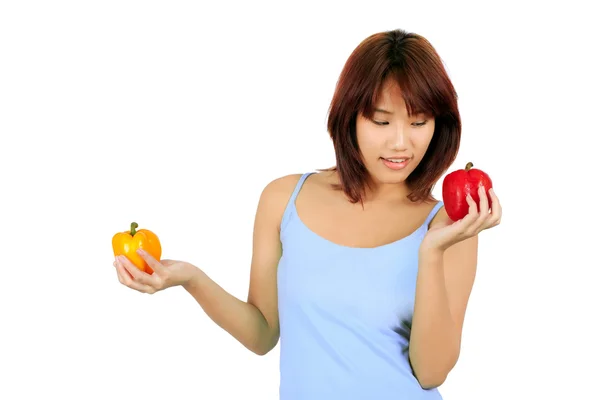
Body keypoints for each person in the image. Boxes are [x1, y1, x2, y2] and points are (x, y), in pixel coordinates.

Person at [113, 28, 502, 399]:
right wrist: (190, 278)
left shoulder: (450, 227)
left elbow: (431, 371)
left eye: (419, 122)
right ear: (350, 117)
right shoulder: (283, 198)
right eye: (381, 121)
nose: (401, 143)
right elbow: (262, 334)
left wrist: (431, 253)